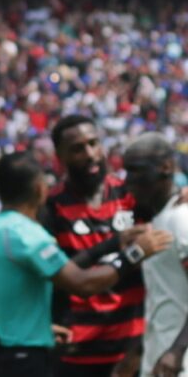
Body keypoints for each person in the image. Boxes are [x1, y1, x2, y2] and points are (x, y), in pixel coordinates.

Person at [0, 153, 171, 377]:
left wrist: (35, 328)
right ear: (40, 188)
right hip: (25, 362)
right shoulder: (26, 235)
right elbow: (82, 284)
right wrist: (135, 253)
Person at [44, 115, 147, 377]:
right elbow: (54, 276)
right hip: (76, 354)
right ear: (60, 156)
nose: (90, 154)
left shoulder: (132, 195)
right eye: (78, 149)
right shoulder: (51, 207)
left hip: (132, 351)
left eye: (93, 143)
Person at [123, 134, 188, 377]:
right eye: (127, 171)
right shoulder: (157, 223)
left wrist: (178, 350)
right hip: (159, 359)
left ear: (166, 167)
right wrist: (140, 350)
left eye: (137, 171)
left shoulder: (181, 219)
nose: (129, 180)